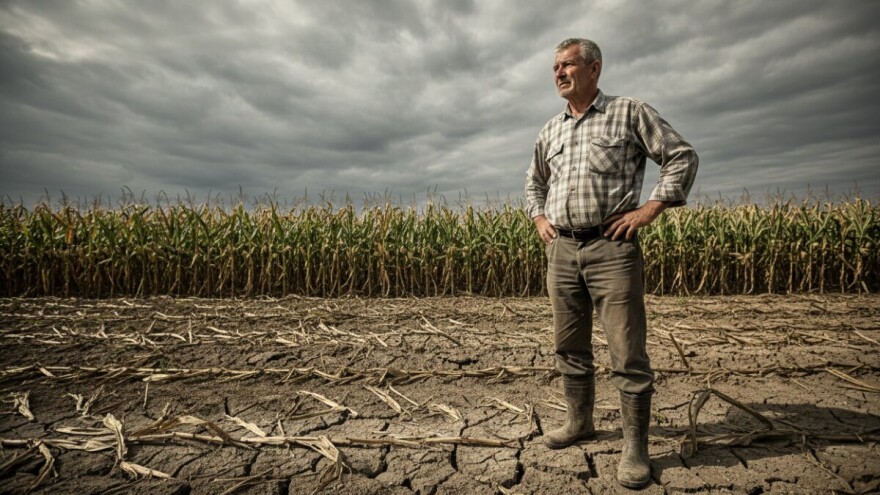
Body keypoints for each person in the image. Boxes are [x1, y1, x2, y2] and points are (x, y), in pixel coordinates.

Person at [524, 38, 698, 489]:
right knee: (568, 346)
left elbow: (680, 156)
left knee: (627, 352)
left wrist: (649, 210)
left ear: (594, 68)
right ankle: (579, 422)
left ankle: (635, 447)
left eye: (567, 65)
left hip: (611, 249)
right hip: (563, 250)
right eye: (555, 67)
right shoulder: (551, 129)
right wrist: (540, 217)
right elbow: (533, 182)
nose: (559, 73)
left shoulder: (628, 112)